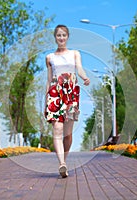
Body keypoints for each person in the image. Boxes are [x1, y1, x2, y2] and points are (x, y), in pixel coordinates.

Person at [45, 25, 90, 178]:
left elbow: (79, 69)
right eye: (59, 35)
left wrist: (84, 77)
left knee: (68, 134)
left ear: (68, 37)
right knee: (57, 129)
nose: (61, 38)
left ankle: (64, 160)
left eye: (64, 35)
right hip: (55, 93)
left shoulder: (75, 54)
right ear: (55, 37)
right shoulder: (49, 58)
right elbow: (49, 79)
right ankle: (62, 164)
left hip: (71, 93)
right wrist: (46, 99)